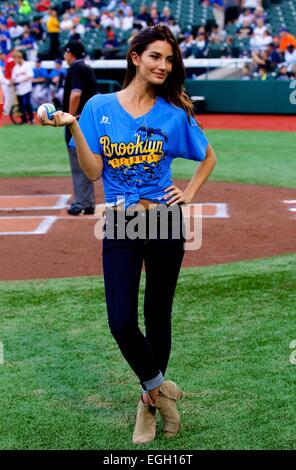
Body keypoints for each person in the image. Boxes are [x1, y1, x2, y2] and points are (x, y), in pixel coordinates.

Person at [38, 24, 217, 444]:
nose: (163, 65)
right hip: (120, 220)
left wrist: (188, 194)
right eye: (155, 56)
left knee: (157, 316)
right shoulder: (100, 106)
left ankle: (147, 409)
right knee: (120, 320)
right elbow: (94, 171)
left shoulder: (174, 112)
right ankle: (161, 390)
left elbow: (208, 156)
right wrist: (74, 125)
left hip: (164, 222)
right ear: (135, 58)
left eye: (169, 59)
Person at [63, 41, 97, 215]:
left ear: (71, 54)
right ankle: (89, 201)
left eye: (66, 53)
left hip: (77, 124)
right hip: (88, 123)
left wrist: (69, 116)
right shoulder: (87, 68)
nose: (64, 56)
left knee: (78, 164)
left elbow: (76, 93)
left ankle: (82, 202)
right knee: (85, 162)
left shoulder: (75, 68)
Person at [10, 50, 34, 124]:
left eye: (15, 58)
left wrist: (20, 81)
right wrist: (11, 82)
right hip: (18, 90)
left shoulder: (27, 65)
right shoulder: (15, 67)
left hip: (26, 89)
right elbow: (13, 78)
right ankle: (24, 120)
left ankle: (31, 119)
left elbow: (30, 76)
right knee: (21, 106)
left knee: (27, 104)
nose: (14, 60)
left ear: (19, 58)